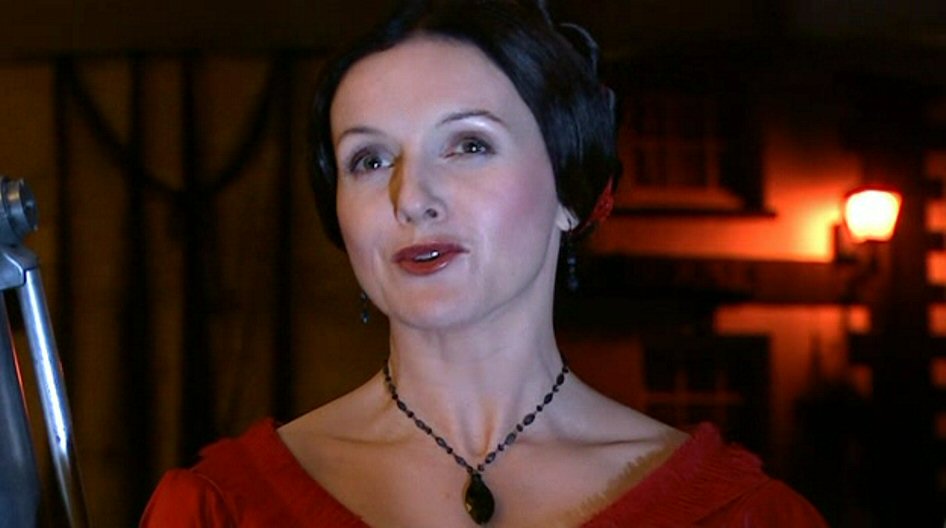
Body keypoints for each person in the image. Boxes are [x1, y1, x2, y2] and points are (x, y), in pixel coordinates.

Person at [141, 1, 828, 526]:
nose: (411, 197)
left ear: (571, 192)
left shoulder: (746, 517)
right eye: (369, 160)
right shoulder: (218, 509)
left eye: (469, 145)